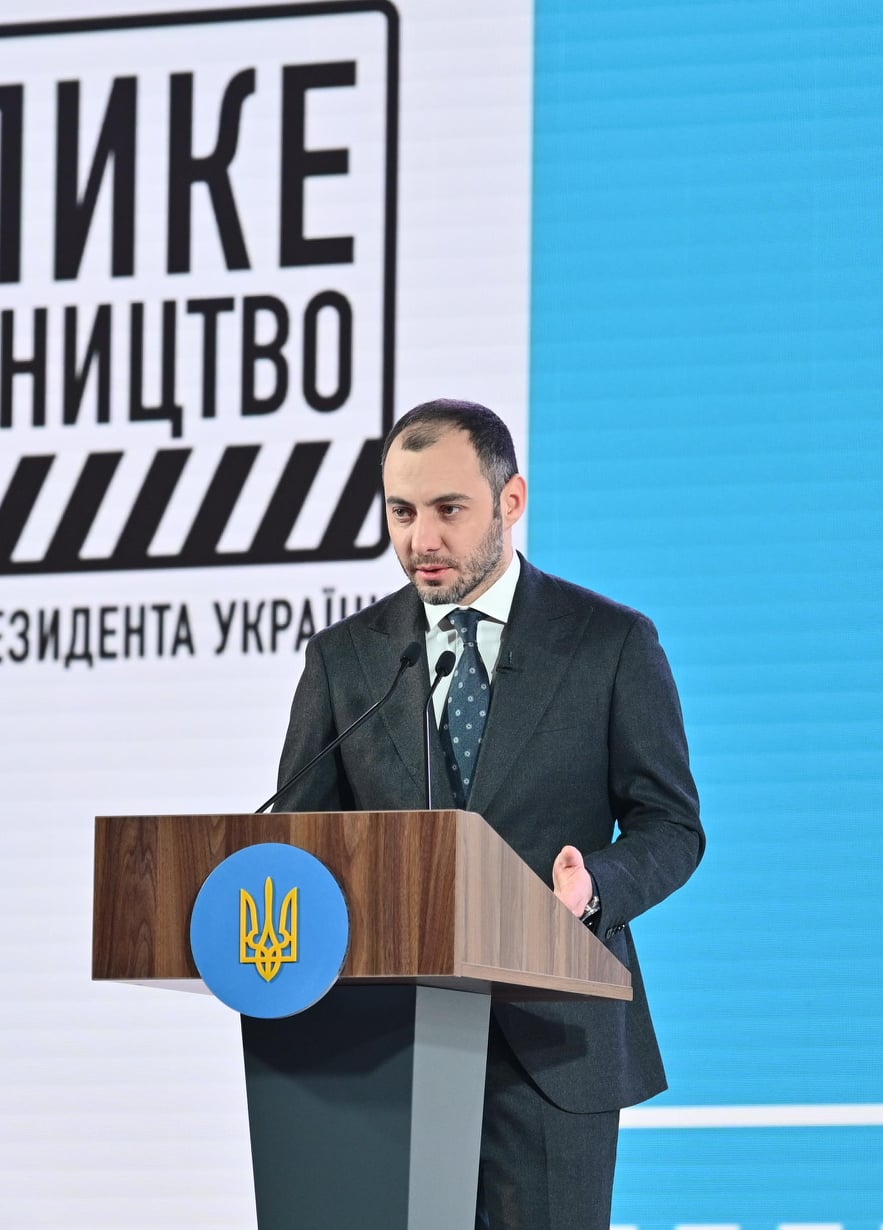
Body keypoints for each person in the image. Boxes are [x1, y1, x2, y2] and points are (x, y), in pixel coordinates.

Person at [275, 398, 705, 1228]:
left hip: (553, 1044)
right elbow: (301, 841)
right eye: (402, 512)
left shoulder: (609, 642)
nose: (421, 540)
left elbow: (671, 825)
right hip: (381, 1049)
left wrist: (593, 890)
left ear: (511, 501)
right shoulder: (347, 660)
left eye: (448, 510)